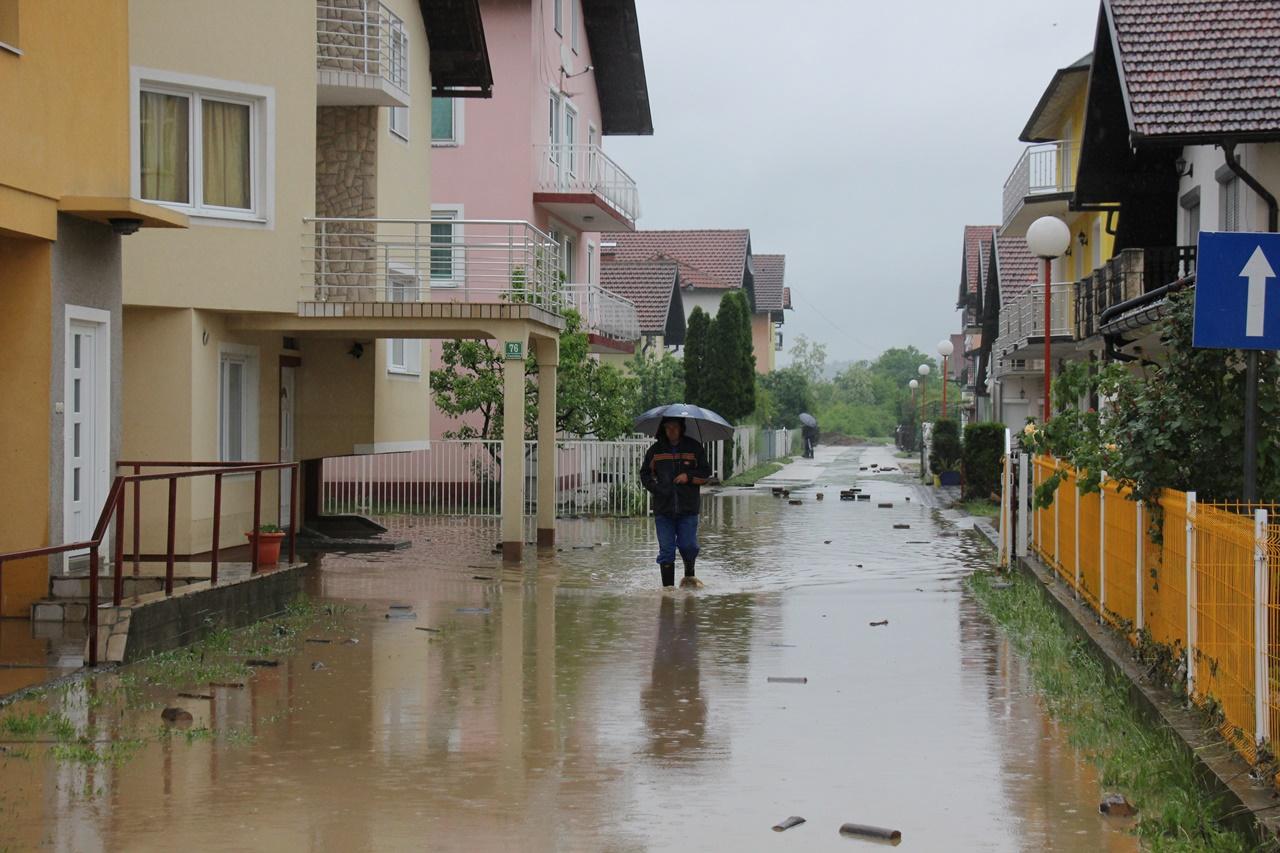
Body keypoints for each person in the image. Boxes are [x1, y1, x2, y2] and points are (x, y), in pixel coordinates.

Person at [639, 417, 711, 588]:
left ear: (681, 428)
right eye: (667, 427)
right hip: (663, 510)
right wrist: (657, 488)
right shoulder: (655, 451)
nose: (671, 430)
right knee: (666, 551)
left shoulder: (694, 448)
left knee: (689, 546)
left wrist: (689, 477)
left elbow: (705, 473)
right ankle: (668, 592)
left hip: (688, 508)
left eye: (675, 427)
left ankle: (689, 576)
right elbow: (645, 474)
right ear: (663, 429)